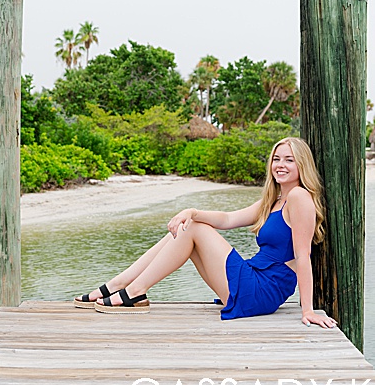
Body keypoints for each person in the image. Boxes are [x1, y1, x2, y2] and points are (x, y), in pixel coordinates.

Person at [74, 137, 337, 328]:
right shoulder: (276, 199)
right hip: (253, 278)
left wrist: (308, 310)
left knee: (193, 228)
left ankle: (135, 291)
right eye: (276, 159)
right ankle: (120, 285)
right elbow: (228, 218)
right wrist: (192, 211)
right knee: (185, 228)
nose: (280, 165)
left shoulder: (300, 197)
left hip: (262, 290)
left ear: (302, 165)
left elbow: (303, 257)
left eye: (289, 160)